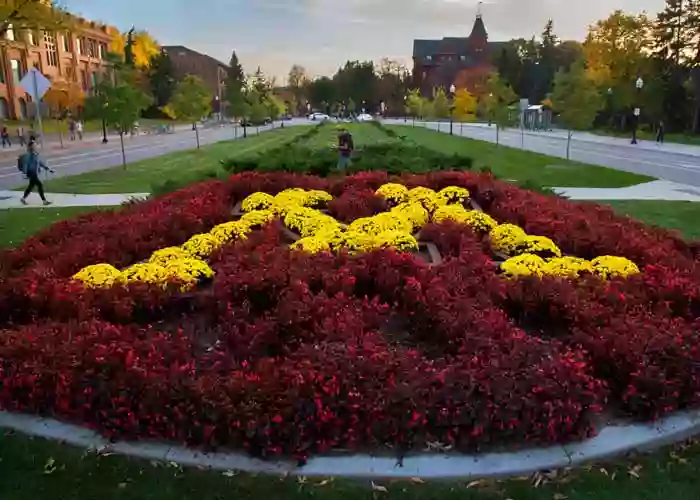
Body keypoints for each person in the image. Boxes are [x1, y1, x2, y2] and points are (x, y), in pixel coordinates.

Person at [19, 140, 53, 206]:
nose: (36, 146)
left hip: (34, 173)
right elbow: (25, 164)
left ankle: (23, 199)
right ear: (31, 146)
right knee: (39, 185)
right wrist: (24, 173)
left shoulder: (35, 154)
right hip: (31, 173)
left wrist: (48, 168)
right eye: (35, 145)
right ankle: (44, 201)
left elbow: (39, 163)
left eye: (36, 145)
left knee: (31, 186)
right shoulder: (28, 155)